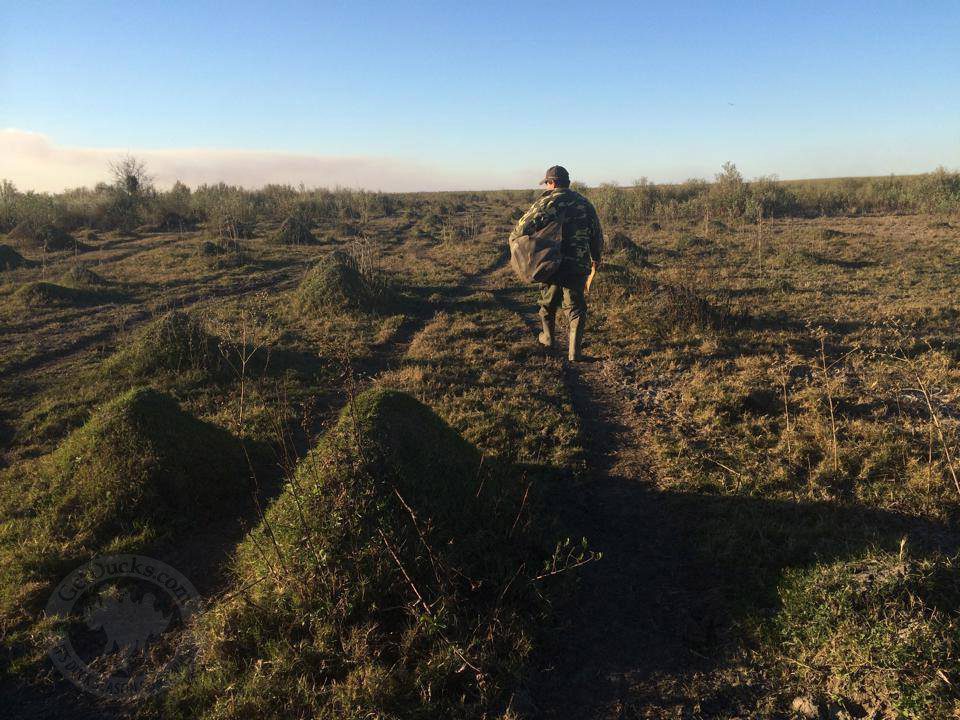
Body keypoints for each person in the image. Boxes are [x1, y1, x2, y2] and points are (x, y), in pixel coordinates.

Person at [509, 165, 603, 361]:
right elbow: (596, 234)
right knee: (576, 307)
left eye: (547, 183)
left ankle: (548, 338)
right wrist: (596, 258)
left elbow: (522, 228)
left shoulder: (546, 202)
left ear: (551, 183)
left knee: (548, 302)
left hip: (551, 261)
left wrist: (522, 246)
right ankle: (574, 352)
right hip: (578, 263)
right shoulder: (584, 203)